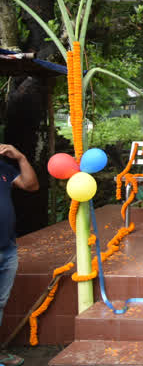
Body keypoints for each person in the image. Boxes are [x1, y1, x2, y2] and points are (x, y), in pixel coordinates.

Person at [0, 143, 39, 366]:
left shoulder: (4, 168)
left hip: (7, 248)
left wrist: (22, 157)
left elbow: (31, 185)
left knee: (0, 303)